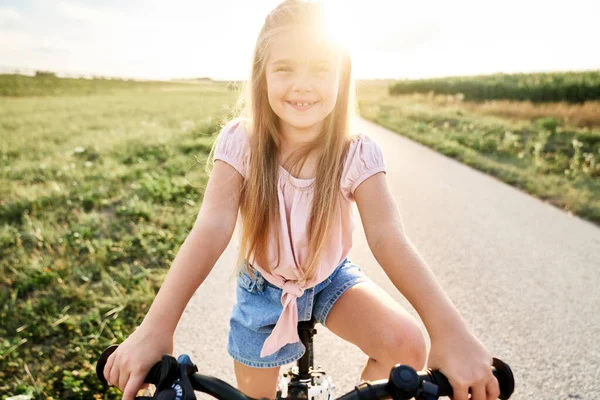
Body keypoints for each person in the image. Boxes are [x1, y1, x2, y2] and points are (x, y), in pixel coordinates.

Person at [103, 1, 501, 399]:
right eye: (285, 68)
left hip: (330, 278)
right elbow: (212, 226)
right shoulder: (241, 143)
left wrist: (450, 332)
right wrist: (157, 327)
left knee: (408, 344)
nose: (302, 84)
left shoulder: (356, 153)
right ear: (262, 75)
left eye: (320, 69)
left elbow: (388, 238)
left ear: (341, 78)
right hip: (262, 288)